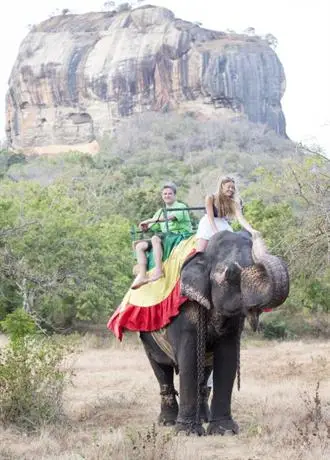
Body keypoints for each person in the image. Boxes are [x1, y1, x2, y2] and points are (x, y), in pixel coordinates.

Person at [131, 183, 192, 289]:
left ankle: (159, 270)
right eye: (165, 194)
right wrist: (145, 227)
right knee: (139, 246)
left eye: (169, 193)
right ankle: (142, 275)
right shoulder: (160, 211)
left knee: (155, 238)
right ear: (162, 196)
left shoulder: (180, 206)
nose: (167, 196)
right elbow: (154, 226)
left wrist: (149, 220)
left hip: (177, 234)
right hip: (164, 235)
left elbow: (169, 218)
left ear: (174, 195)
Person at [196, 176, 259, 252]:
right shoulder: (210, 197)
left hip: (222, 224)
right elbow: (210, 218)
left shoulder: (232, 202)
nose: (231, 190)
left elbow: (241, 218)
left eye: (233, 188)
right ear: (222, 186)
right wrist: (216, 233)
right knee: (200, 251)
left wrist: (251, 230)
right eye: (228, 187)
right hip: (209, 224)